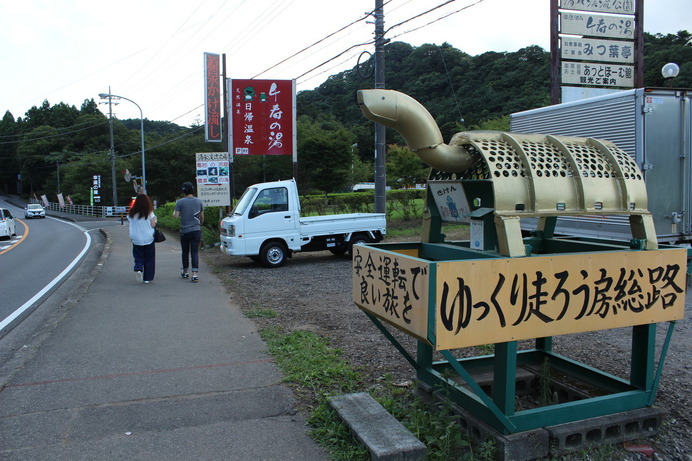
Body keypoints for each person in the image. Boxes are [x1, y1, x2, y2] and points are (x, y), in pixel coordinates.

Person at [173, 182, 204, 283]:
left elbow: (176, 216)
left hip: (184, 231)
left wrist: (176, 212)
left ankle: (185, 271)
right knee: (194, 252)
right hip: (196, 230)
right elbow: (202, 216)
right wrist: (200, 225)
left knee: (185, 252)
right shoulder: (199, 201)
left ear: (183, 191)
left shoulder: (180, 202)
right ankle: (195, 274)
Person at [127, 194, 157, 284]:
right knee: (149, 258)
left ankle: (138, 268)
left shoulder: (131, 213)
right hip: (148, 238)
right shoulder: (149, 213)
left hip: (136, 238)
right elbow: (153, 224)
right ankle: (147, 278)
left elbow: (129, 221)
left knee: (138, 256)